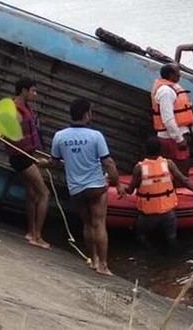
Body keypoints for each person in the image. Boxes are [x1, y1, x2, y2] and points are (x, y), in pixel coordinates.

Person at [45, 98, 127, 276]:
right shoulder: (96, 136)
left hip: (76, 190)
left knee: (88, 224)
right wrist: (118, 184)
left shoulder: (60, 136)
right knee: (99, 224)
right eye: (91, 112)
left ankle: (94, 260)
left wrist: (42, 163)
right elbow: (109, 163)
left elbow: (54, 162)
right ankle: (103, 266)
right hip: (96, 187)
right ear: (86, 114)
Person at [125, 137, 193, 249]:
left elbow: (130, 190)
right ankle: (176, 257)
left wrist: (120, 187)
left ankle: (151, 255)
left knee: (141, 237)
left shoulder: (139, 168)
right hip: (168, 214)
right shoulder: (168, 163)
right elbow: (184, 180)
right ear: (160, 150)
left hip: (147, 216)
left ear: (145, 150)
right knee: (172, 238)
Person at [9, 77, 50, 249]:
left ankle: (31, 232)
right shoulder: (13, 109)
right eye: (33, 90)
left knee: (32, 193)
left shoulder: (27, 109)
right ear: (24, 91)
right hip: (21, 157)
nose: (35, 94)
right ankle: (37, 236)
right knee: (44, 194)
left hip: (27, 154)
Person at [151, 63, 193, 177]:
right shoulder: (166, 91)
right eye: (178, 73)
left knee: (181, 168)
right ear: (171, 75)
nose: (180, 75)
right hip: (172, 138)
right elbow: (168, 119)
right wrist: (179, 139)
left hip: (176, 135)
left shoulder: (172, 88)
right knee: (181, 169)